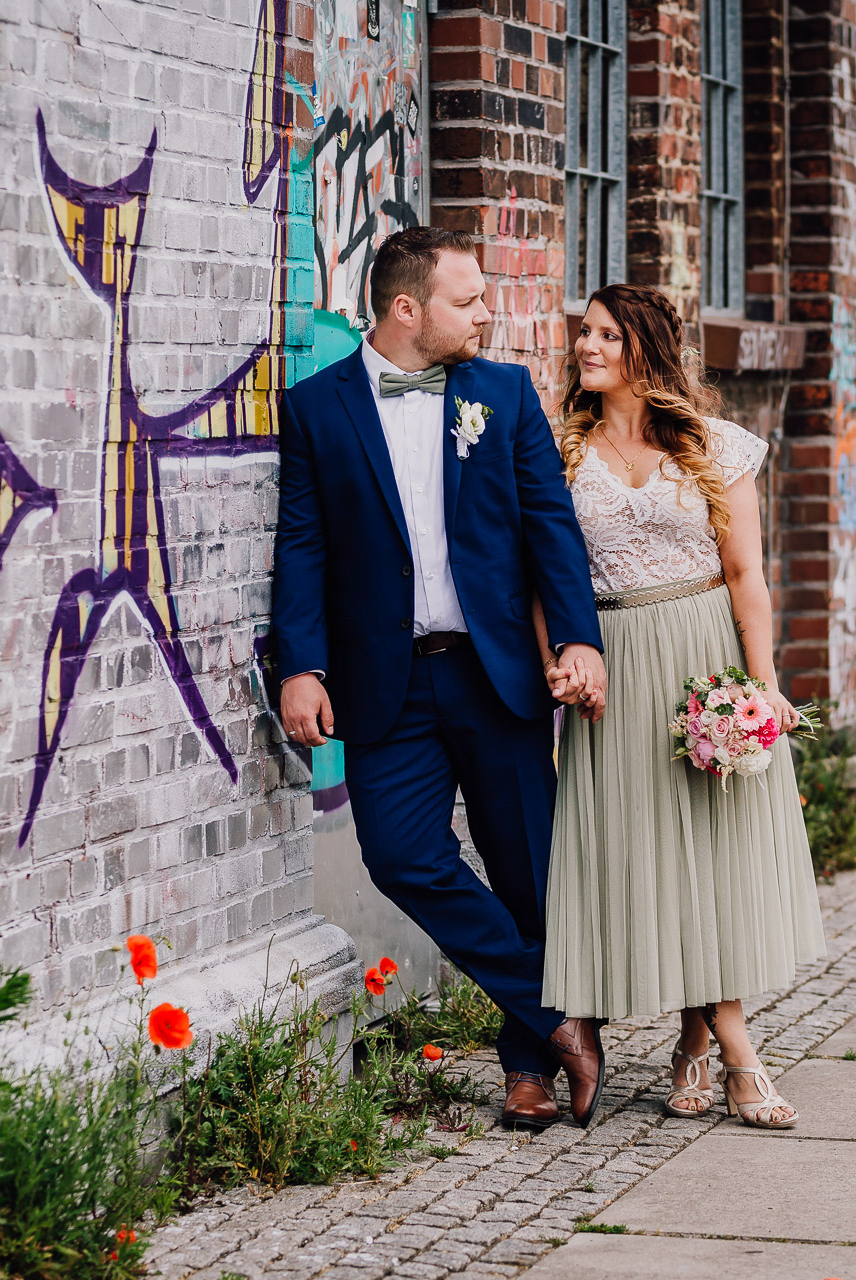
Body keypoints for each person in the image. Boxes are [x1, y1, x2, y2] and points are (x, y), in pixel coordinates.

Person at [274, 226, 609, 1129]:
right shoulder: (316, 409)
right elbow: (302, 547)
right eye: (469, 301)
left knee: (527, 874)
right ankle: (559, 1014)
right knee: (402, 856)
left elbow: (551, 528)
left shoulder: (501, 393)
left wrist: (577, 640)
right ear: (406, 309)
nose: (486, 314)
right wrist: (299, 666)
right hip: (384, 683)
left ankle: (527, 1070)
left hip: (494, 674)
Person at [539, 283, 826, 1128]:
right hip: (613, 667)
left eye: (604, 335)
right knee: (651, 854)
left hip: (703, 655)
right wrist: (556, 663)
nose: (586, 346)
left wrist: (762, 682)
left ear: (643, 350)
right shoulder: (560, 450)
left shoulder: (713, 444)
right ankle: (713, 1048)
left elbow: (746, 575)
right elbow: (540, 579)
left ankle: (711, 1046)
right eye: (583, 333)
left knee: (709, 854)